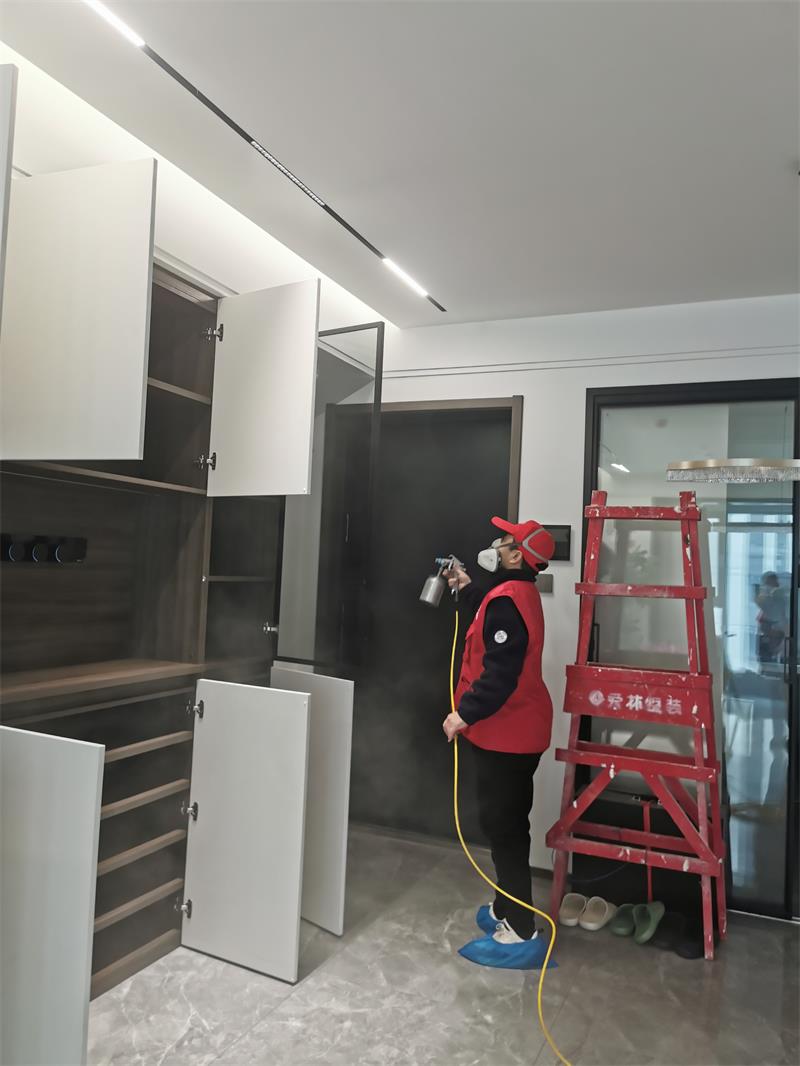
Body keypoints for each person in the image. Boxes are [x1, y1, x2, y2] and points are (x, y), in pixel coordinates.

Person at [442, 516, 555, 970]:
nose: (495, 544)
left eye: (504, 540)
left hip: (508, 734)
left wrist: (463, 714)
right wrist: (466, 586)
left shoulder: (509, 599)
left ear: (516, 556)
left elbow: (501, 674)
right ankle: (506, 906)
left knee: (505, 829)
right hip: (511, 732)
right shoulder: (512, 593)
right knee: (502, 823)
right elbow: (489, 618)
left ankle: (521, 929)